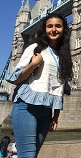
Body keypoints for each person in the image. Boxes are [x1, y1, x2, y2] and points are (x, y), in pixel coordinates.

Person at [6, 13, 73, 158]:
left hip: (46, 112)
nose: (53, 29)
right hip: (26, 107)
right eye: (50, 26)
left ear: (64, 29)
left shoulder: (64, 55)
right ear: (44, 29)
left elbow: (59, 88)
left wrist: (55, 116)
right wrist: (33, 64)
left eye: (58, 26)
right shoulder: (35, 48)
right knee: (28, 156)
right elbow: (15, 79)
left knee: (32, 155)